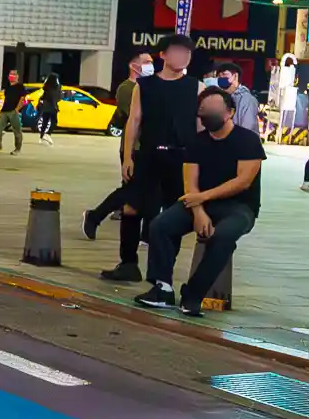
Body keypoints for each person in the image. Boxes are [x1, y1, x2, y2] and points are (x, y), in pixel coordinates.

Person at [134, 86, 264, 317]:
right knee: (160, 226)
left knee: (222, 236)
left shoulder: (248, 141)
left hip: (239, 207)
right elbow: (190, 182)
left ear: (230, 112)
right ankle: (162, 288)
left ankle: (193, 294)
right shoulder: (196, 142)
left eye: (214, 108)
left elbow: (243, 181)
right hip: (199, 203)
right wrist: (199, 211)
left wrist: (202, 198)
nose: (208, 113)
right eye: (204, 109)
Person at [102, 32, 200, 283]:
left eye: (187, 53)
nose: (183, 57)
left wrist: (201, 162)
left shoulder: (196, 87)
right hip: (148, 154)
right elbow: (133, 121)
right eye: (178, 51)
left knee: (173, 213)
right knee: (131, 207)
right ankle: (128, 264)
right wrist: (127, 157)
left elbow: (200, 128)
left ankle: (163, 272)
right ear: (164, 55)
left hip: (182, 158)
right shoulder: (144, 86)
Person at [82, 51, 153, 239]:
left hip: (148, 147)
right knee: (131, 190)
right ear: (133, 65)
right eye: (145, 62)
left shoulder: (148, 86)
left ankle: (146, 234)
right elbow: (134, 116)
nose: (150, 65)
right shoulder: (127, 88)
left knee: (145, 191)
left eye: (151, 62)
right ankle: (95, 216)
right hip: (134, 146)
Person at [214, 63, 258, 132]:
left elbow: (247, 129)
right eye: (219, 76)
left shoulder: (247, 99)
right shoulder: (222, 98)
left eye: (224, 75)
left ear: (235, 76)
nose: (221, 78)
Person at [0, 70, 27, 154]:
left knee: (17, 131)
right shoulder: (7, 87)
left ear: (17, 76)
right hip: (4, 111)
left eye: (14, 74)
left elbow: (22, 99)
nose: (12, 76)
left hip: (13, 111)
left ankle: (17, 149)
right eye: (11, 74)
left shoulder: (20, 86)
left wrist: (17, 109)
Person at [36, 73, 62, 145]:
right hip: (52, 107)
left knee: (45, 122)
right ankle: (48, 134)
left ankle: (41, 137)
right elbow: (57, 98)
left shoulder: (46, 87)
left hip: (46, 107)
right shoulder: (57, 87)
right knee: (54, 121)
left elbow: (43, 96)